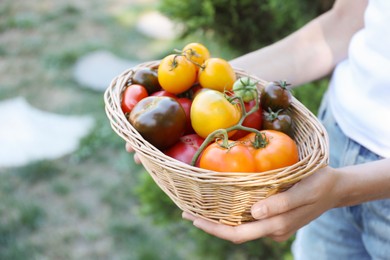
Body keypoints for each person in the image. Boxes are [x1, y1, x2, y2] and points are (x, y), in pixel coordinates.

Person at [127, 0, 390, 258]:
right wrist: (208, 84)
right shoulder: (245, 121)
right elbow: (344, 25)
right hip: (334, 141)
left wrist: (342, 189)